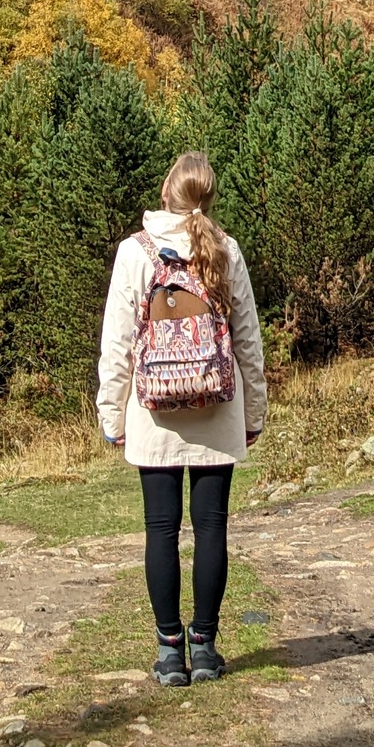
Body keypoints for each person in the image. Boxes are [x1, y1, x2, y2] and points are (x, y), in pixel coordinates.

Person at [96, 149, 267, 686]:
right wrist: (254, 412)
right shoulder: (225, 249)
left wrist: (111, 412)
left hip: (154, 412)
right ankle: (207, 648)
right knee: (212, 526)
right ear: (206, 198)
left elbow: (118, 342)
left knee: (161, 529)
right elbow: (248, 341)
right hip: (218, 407)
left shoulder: (135, 252)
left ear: (167, 191)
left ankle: (170, 653)